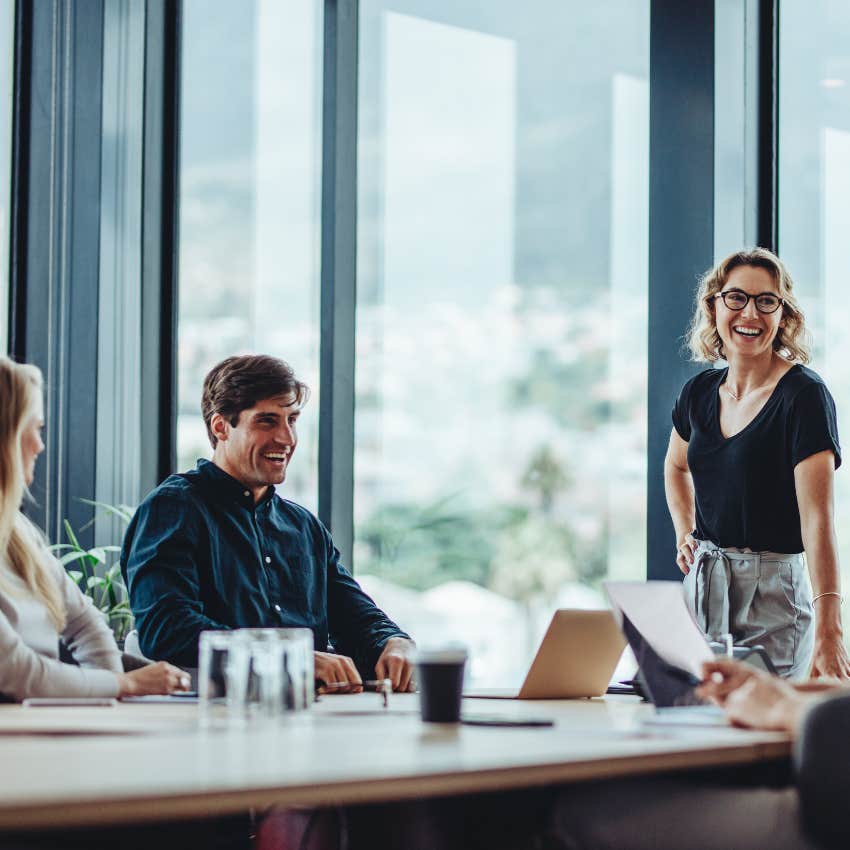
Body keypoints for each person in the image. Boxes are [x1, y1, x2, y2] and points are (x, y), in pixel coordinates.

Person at [121, 354, 415, 691]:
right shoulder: (173, 509)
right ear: (221, 427)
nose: (286, 438)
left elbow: (355, 616)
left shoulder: (303, 526)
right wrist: (289, 657)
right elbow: (167, 629)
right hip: (214, 713)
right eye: (267, 421)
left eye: (292, 420)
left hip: (313, 711)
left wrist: (393, 641)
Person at [664, 247, 850, 679]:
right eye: (736, 297)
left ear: (783, 315)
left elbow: (818, 520)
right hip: (704, 587)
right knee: (699, 713)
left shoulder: (804, 396)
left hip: (774, 599)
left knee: (765, 717)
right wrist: (684, 531)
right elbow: (676, 467)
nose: (750, 313)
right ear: (714, 306)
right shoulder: (698, 393)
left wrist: (830, 630)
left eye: (766, 301)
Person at [0, 357, 189, 701]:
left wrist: (108, 693)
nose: (40, 445)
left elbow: (84, 623)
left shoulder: (17, 533)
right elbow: (19, 673)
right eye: (35, 428)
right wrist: (124, 684)